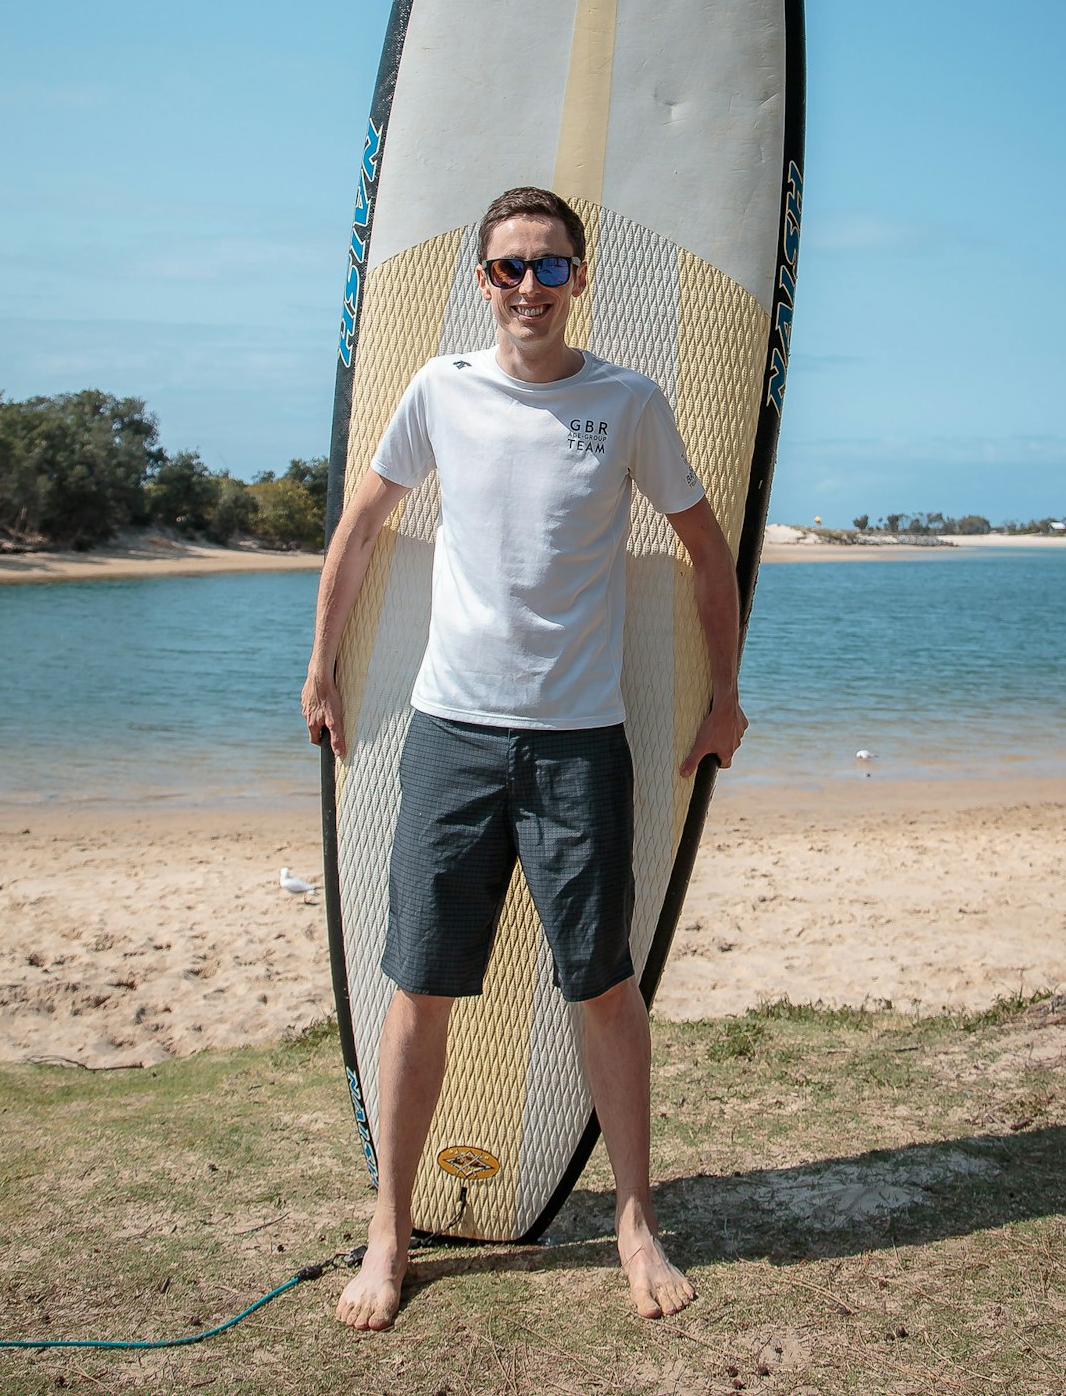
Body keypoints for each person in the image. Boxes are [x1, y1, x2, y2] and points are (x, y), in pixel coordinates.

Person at [302, 185, 746, 1331]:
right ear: (483, 283)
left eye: (549, 268)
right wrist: (320, 671)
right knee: (420, 988)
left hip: (578, 746)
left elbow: (703, 550)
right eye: (508, 269)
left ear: (578, 278)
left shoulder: (627, 402)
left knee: (602, 985)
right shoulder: (438, 392)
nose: (528, 289)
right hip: (449, 736)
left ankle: (635, 1219)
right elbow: (360, 528)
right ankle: (389, 1231)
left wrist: (724, 700)